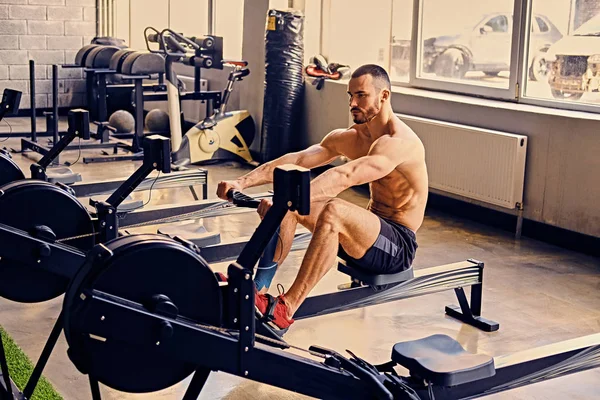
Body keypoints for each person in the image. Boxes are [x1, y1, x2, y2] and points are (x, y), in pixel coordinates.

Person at [217, 64, 428, 330]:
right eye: (350, 96)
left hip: (397, 246)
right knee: (292, 207)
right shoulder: (352, 137)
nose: (353, 103)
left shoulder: (399, 142)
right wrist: (242, 181)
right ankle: (256, 290)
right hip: (368, 235)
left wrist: (285, 199)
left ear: (384, 96)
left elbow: (346, 175)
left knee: (333, 211)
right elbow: (298, 160)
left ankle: (287, 308)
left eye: (361, 95)